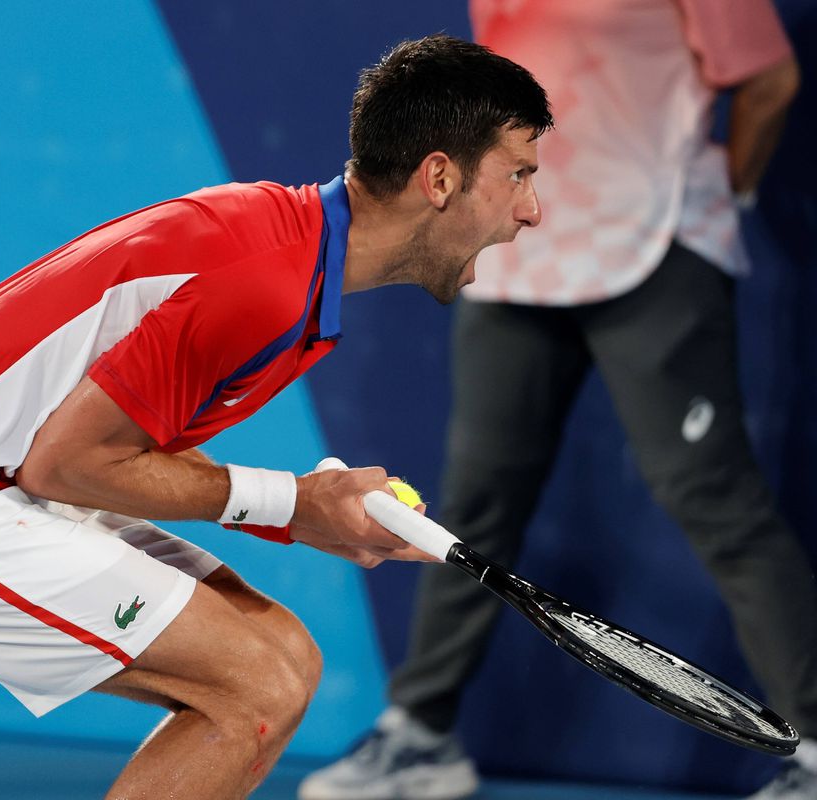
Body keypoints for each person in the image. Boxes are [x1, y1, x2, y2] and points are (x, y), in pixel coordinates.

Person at [0, 34, 552, 800]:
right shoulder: (261, 281)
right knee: (253, 685)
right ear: (438, 178)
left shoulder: (291, 253)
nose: (532, 209)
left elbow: (110, 450)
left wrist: (304, 512)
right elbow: (67, 464)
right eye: (518, 174)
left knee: (285, 658)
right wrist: (294, 503)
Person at [299, 2, 814, 800]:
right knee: (474, 503)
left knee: (716, 501)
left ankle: (812, 744)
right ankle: (420, 735)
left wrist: (719, 197)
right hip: (517, 253)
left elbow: (769, 79)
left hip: (657, 245)